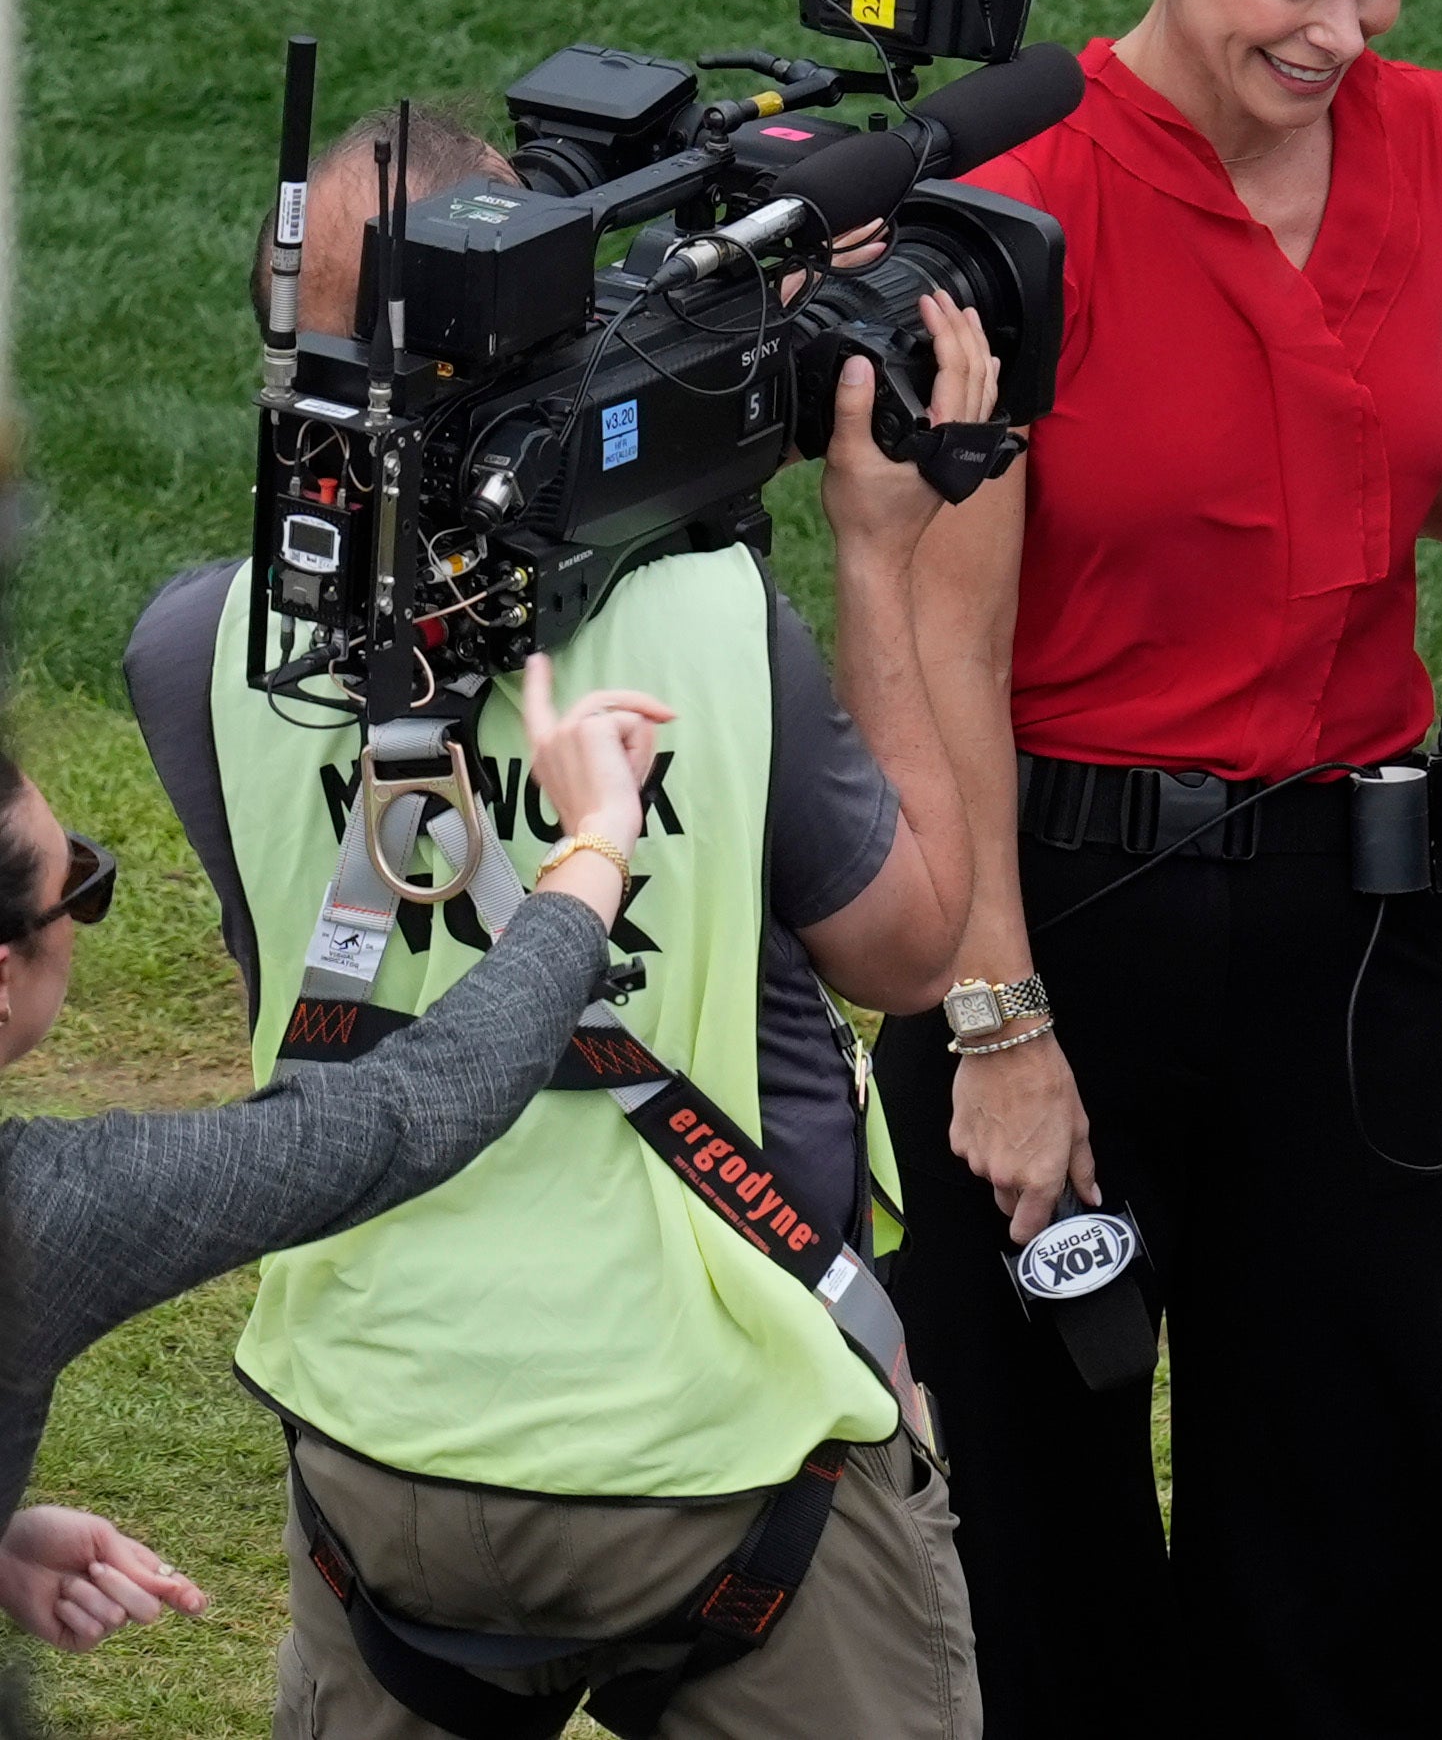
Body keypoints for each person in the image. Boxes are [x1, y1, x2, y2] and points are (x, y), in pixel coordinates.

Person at [887, 0, 1442, 1737]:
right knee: (1041, 1519)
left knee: (1351, 1505)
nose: (1340, 35)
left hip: (1348, 922)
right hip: (1054, 909)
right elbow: (929, 645)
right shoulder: (1017, 199)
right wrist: (996, 1023)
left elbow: (1425, 470)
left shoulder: (1439, 147)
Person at [122, 105, 998, 1736]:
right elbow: (913, 949)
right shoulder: (715, 622)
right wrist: (881, 554)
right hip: (723, 1453)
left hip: (375, 1449)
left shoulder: (199, 646)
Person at [0, 659, 653, 1650]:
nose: (89, 902)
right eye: (80, 884)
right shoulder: (38, 1219)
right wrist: (598, 839)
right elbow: (415, 1107)